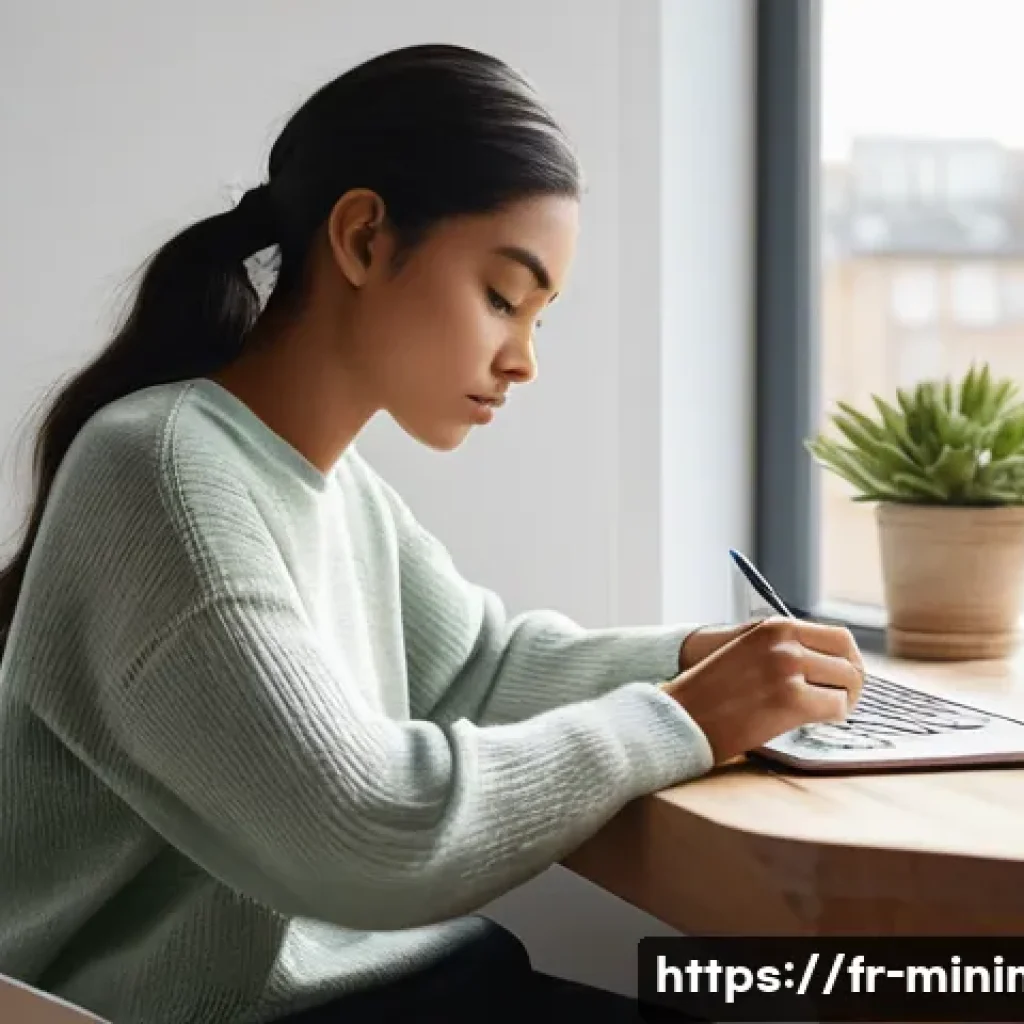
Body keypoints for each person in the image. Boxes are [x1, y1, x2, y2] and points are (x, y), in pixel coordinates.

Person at [0, 43, 864, 1024]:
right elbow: (367, 831)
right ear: (365, 237)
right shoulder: (158, 474)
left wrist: (691, 659)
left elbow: (480, 669)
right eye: (502, 297)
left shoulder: (330, 488)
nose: (523, 360)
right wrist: (683, 718)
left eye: (540, 317)